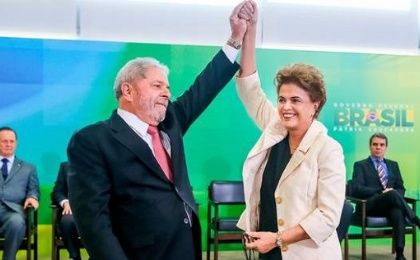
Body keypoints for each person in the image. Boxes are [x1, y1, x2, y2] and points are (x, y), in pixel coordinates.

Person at [66, 1, 255, 259]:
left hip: (185, 249)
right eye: (157, 85)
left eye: (167, 87)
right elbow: (94, 223)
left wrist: (235, 38)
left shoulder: (171, 121)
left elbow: (205, 85)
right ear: (128, 91)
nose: (166, 93)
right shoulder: (92, 141)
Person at [235, 3, 346, 259]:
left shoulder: (329, 149)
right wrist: (250, 32)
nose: (286, 107)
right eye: (282, 99)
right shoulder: (274, 129)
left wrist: (278, 239)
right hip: (269, 252)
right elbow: (249, 88)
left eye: (295, 100)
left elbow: (328, 216)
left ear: (315, 104)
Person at [351, 133, 420, 260]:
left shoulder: (393, 165)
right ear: (370, 146)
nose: (378, 147)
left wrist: (391, 194)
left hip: (389, 205)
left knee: (398, 210)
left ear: (386, 147)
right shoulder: (360, 165)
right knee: (392, 193)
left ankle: (400, 254)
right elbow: (356, 188)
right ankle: (415, 219)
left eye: (381, 145)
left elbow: (400, 187)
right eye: (375, 144)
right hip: (369, 205)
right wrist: (381, 192)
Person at [0, 126, 40, 260]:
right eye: (4, 141)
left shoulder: (28, 168)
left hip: (13, 212)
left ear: (16, 143)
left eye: (12, 141)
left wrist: (32, 197)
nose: (8, 144)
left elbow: (33, 189)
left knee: (17, 222)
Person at [51, 161, 82, 260]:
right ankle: (74, 256)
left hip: (96, 210)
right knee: (67, 222)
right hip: (72, 209)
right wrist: (65, 202)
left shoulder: (100, 164)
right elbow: (57, 191)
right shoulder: (65, 166)